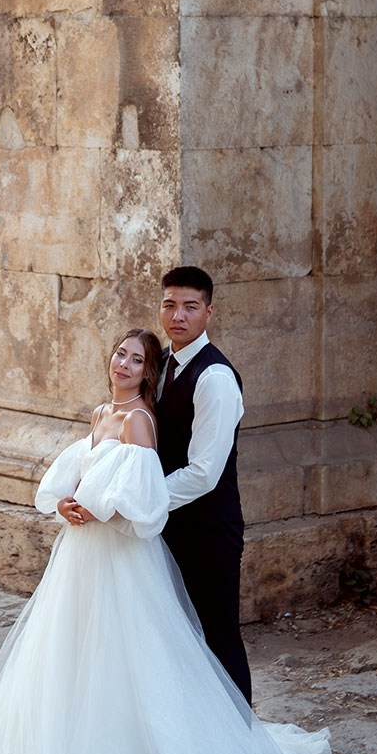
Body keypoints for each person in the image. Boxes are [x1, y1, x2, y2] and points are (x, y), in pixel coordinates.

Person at [0, 328, 331, 754]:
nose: (125, 364)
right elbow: (81, 476)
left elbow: (142, 498)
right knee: (69, 652)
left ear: (147, 373)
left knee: (125, 656)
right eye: (120, 353)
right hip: (81, 557)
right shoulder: (99, 417)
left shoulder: (140, 421)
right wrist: (69, 504)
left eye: (137, 360)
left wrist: (99, 511)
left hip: (118, 557)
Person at [157, 265, 252, 703]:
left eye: (190, 307)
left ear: (208, 312)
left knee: (218, 635)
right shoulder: (160, 364)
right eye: (170, 305)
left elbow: (204, 473)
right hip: (168, 526)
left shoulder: (214, 378)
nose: (178, 315)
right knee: (176, 637)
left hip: (209, 532)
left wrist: (144, 499)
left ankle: (242, 746)